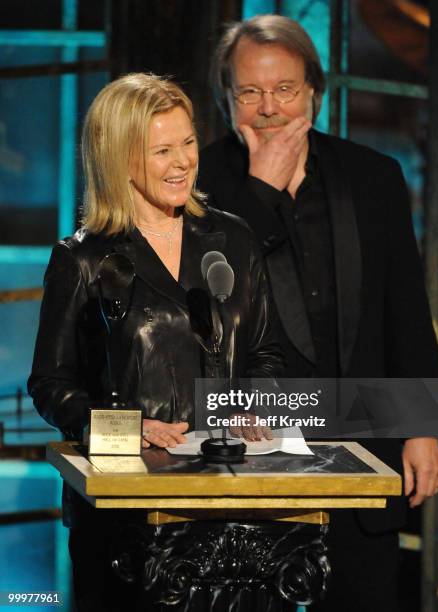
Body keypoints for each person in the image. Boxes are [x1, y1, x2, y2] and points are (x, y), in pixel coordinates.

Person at [197, 14, 438, 612]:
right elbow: (206, 313)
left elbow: (405, 308)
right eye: (249, 92)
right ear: (228, 97)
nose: (269, 108)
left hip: (366, 444)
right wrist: (259, 195)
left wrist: (424, 427)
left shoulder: (373, 177)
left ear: (314, 89)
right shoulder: (201, 182)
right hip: (253, 451)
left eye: (284, 89)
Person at [28, 72, 283, 611]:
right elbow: (52, 383)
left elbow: (266, 350)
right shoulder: (83, 259)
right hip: (129, 519)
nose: (184, 161)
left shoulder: (233, 239)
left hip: (235, 508)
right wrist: (128, 430)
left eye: (188, 143)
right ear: (120, 159)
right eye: (162, 150)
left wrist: (252, 404)